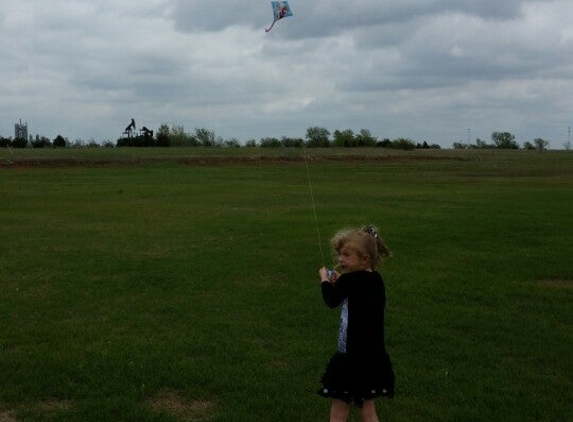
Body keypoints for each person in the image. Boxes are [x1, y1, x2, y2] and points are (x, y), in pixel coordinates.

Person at [317, 225, 395, 422]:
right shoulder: (376, 280)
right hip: (372, 357)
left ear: (365, 259)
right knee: (368, 410)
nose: (340, 259)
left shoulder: (349, 282)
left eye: (346, 255)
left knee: (338, 409)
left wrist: (325, 280)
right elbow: (358, 292)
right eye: (340, 254)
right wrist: (340, 281)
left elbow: (331, 300)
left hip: (350, 357)